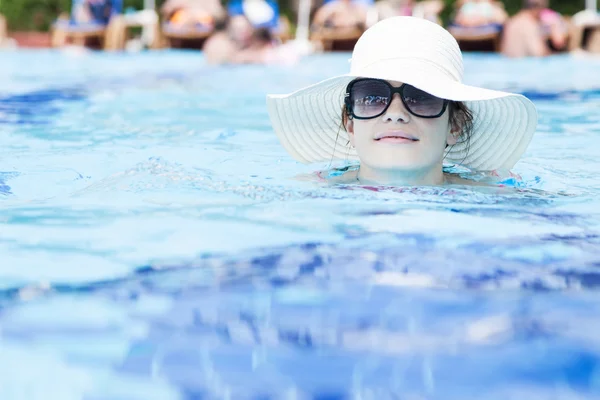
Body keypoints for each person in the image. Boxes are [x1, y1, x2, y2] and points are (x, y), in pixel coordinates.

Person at [266, 17, 538, 187]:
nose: (395, 114)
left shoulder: (499, 196)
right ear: (350, 124)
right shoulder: (308, 194)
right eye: (372, 97)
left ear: (454, 125)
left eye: (421, 97)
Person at [501, 0, 568, 58]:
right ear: (537, 9)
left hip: (511, 63)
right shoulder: (529, 25)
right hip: (523, 66)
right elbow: (539, 53)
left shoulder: (512, 22)